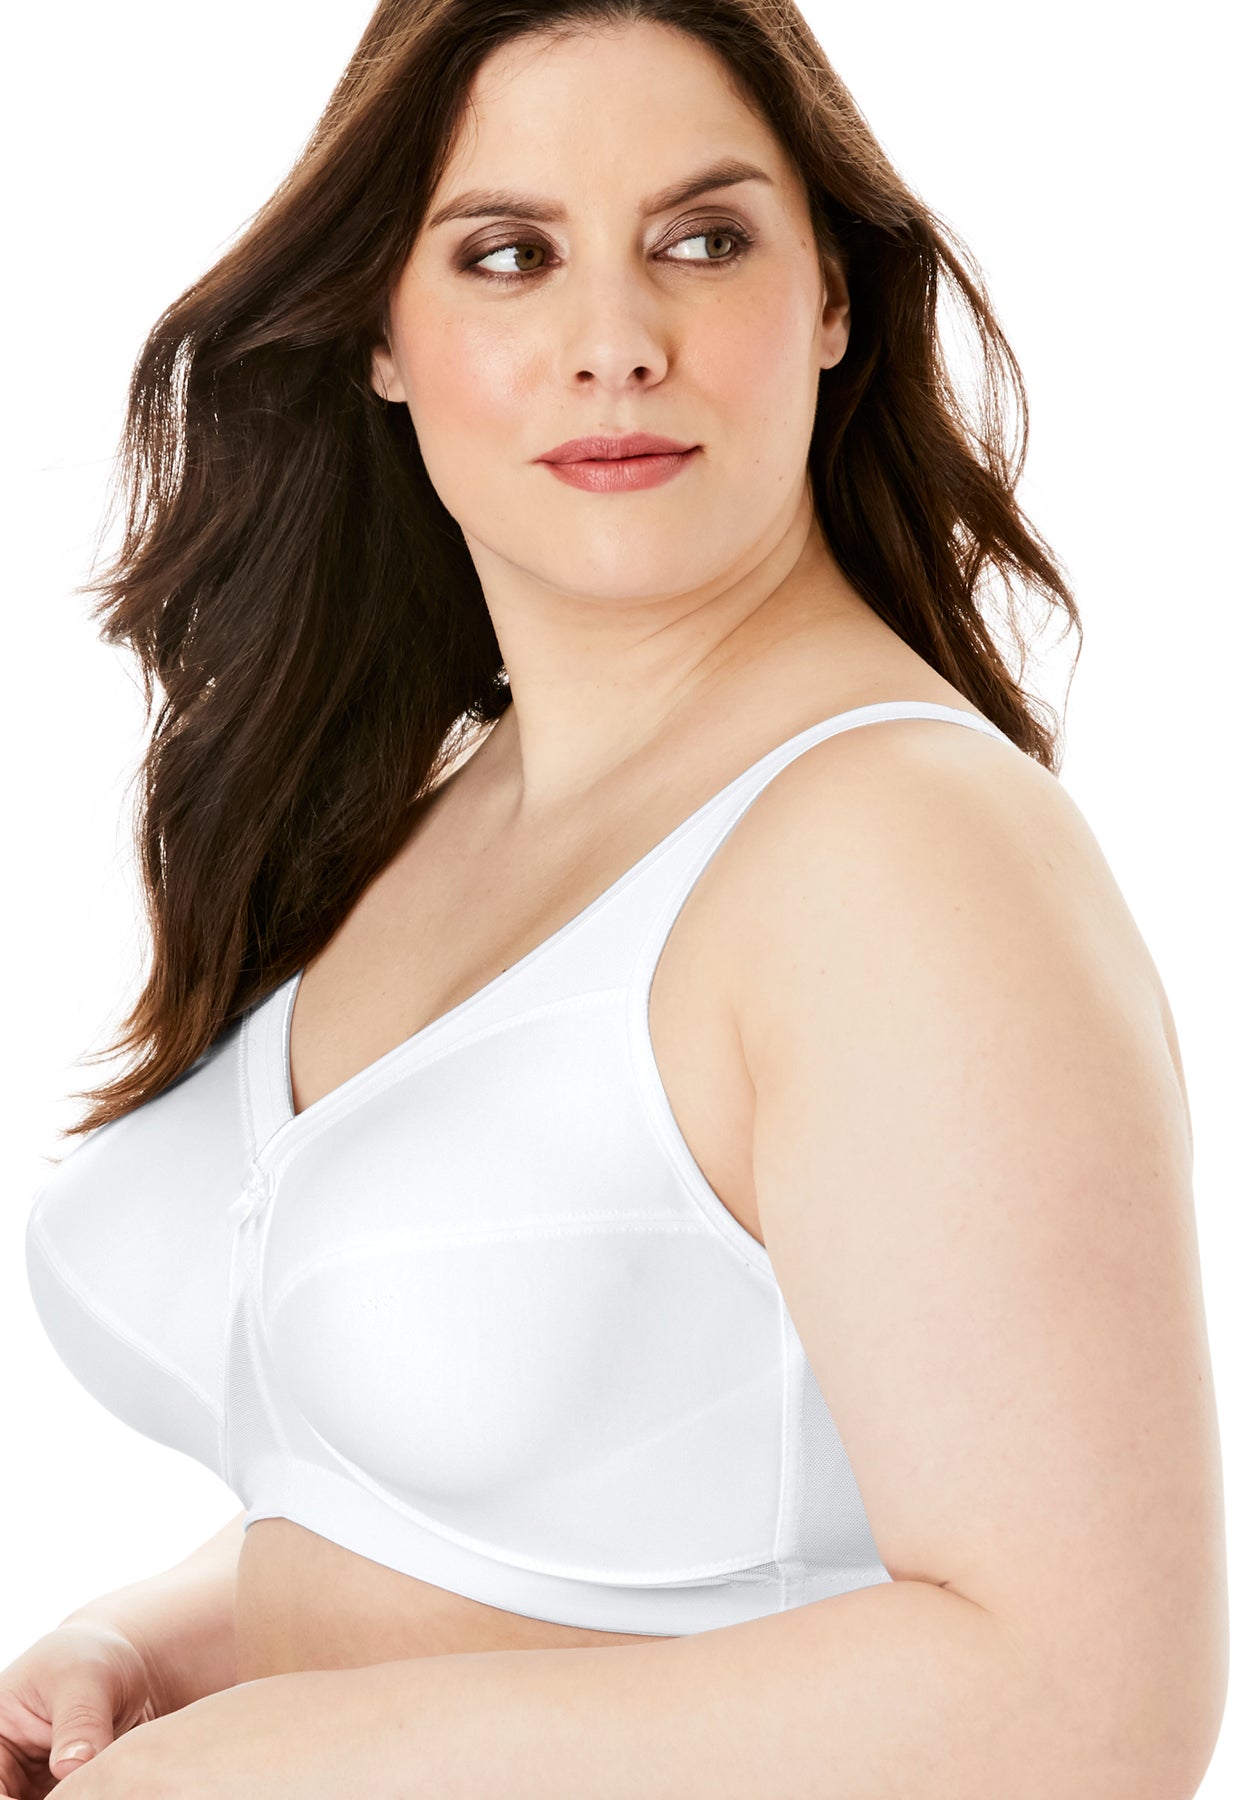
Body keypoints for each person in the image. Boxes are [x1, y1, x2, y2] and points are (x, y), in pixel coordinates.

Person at [6, 1, 1227, 1795]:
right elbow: (581, 1510)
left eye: (702, 241)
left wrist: (292, 1763)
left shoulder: (902, 853)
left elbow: (1082, 1703)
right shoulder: (439, 802)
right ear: (380, 334)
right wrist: (173, 1642)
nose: (614, 345)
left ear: (832, 298)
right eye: (509, 255)